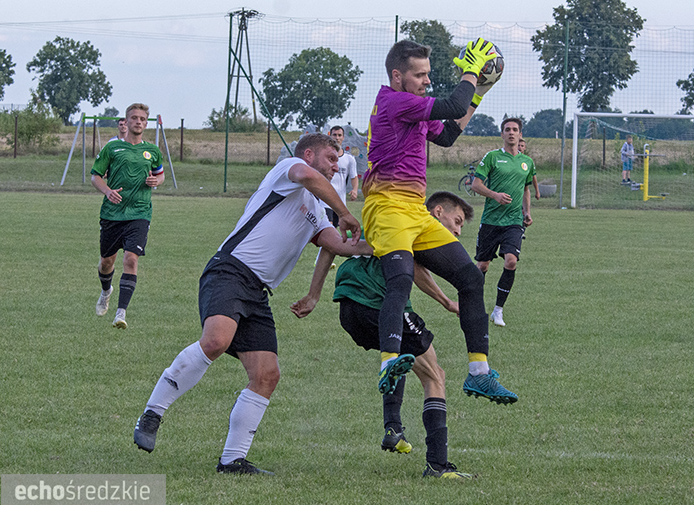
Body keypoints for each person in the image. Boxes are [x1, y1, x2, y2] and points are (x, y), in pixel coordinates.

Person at [133, 133, 370, 475]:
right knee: (216, 340)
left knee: (266, 374)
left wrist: (387, 247)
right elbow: (309, 178)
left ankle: (232, 461)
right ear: (309, 154)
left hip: (258, 292)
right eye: (331, 158)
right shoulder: (290, 169)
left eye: (338, 161)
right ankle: (153, 412)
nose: (337, 166)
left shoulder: (318, 209)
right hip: (230, 270)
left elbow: (336, 245)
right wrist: (345, 211)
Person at [360, 38, 516, 405]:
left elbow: (447, 133)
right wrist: (471, 72)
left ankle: (479, 373)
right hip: (385, 205)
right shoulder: (393, 101)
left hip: (414, 209)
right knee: (399, 279)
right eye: (420, 75)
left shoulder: (412, 108)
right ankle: (388, 363)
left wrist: (478, 92)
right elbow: (452, 104)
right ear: (397, 77)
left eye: (428, 74)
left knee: (469, 278)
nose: (427, 81)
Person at [293, 192, 490, 478]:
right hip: (376, 302)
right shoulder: (416, 229)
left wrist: (314, 295)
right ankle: (438, 464)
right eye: (457, 221)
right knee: (435, 375)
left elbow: (332, 245)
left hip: (348, 308)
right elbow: (416, 269)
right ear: (437, 213)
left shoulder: (385, 219)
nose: (458, 231)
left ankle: (393, 427)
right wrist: (447, 302)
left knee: (399, 357)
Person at [91, 104, 164, 329]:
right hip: (112, 214)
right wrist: (107, 191)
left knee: (131, 259)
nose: (138, 122)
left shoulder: (152, 151)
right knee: (107, 262)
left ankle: (120, 314)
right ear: (127, 120)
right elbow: (95, 176)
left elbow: (160, 175)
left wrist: (156, 181)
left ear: (146, 122)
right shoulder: (112, 149)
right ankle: (106, 291)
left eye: (142, 118)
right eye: (134, 118)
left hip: (140, 212)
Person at [471, 117, 535, 329]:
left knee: (511, 261)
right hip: (491, 220)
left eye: (515, 129)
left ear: (520, 134)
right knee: (482, 265)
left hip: (514, 221)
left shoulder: (527, 162)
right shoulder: (492, 157)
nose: (511, 133)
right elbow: (476, 185)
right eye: (507, 129)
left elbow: (526, 189)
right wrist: (494, 195)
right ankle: (475, 306)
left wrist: (527, 212)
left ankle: (498, 310)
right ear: (502, 134)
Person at [314, 125, 360, 267]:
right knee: (329, 230)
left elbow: (354, 177)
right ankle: (320, 261)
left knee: (341, 232)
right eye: (334, 135)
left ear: (343, 137)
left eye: (340, 135)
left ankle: (355, 253)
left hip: (340, 204)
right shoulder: (324, 158)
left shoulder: (349, 159)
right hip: (325, 202)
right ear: (330, 136)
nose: (337, 138)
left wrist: (354, 189)